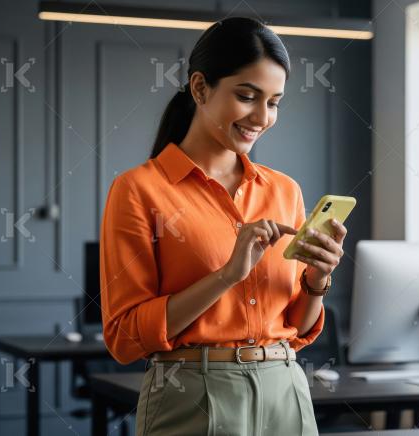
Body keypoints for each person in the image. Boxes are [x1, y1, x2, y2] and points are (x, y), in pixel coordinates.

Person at [99, 16, 348, 435]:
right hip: (191, 393)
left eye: (274, 102)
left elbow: (298, 328)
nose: (262, 117)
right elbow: (124, 339)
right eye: (247, 96)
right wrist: (227, 276)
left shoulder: (285, 191)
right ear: (200, 88)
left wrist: (318, 278)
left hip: (286, 390)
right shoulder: (138, 189)